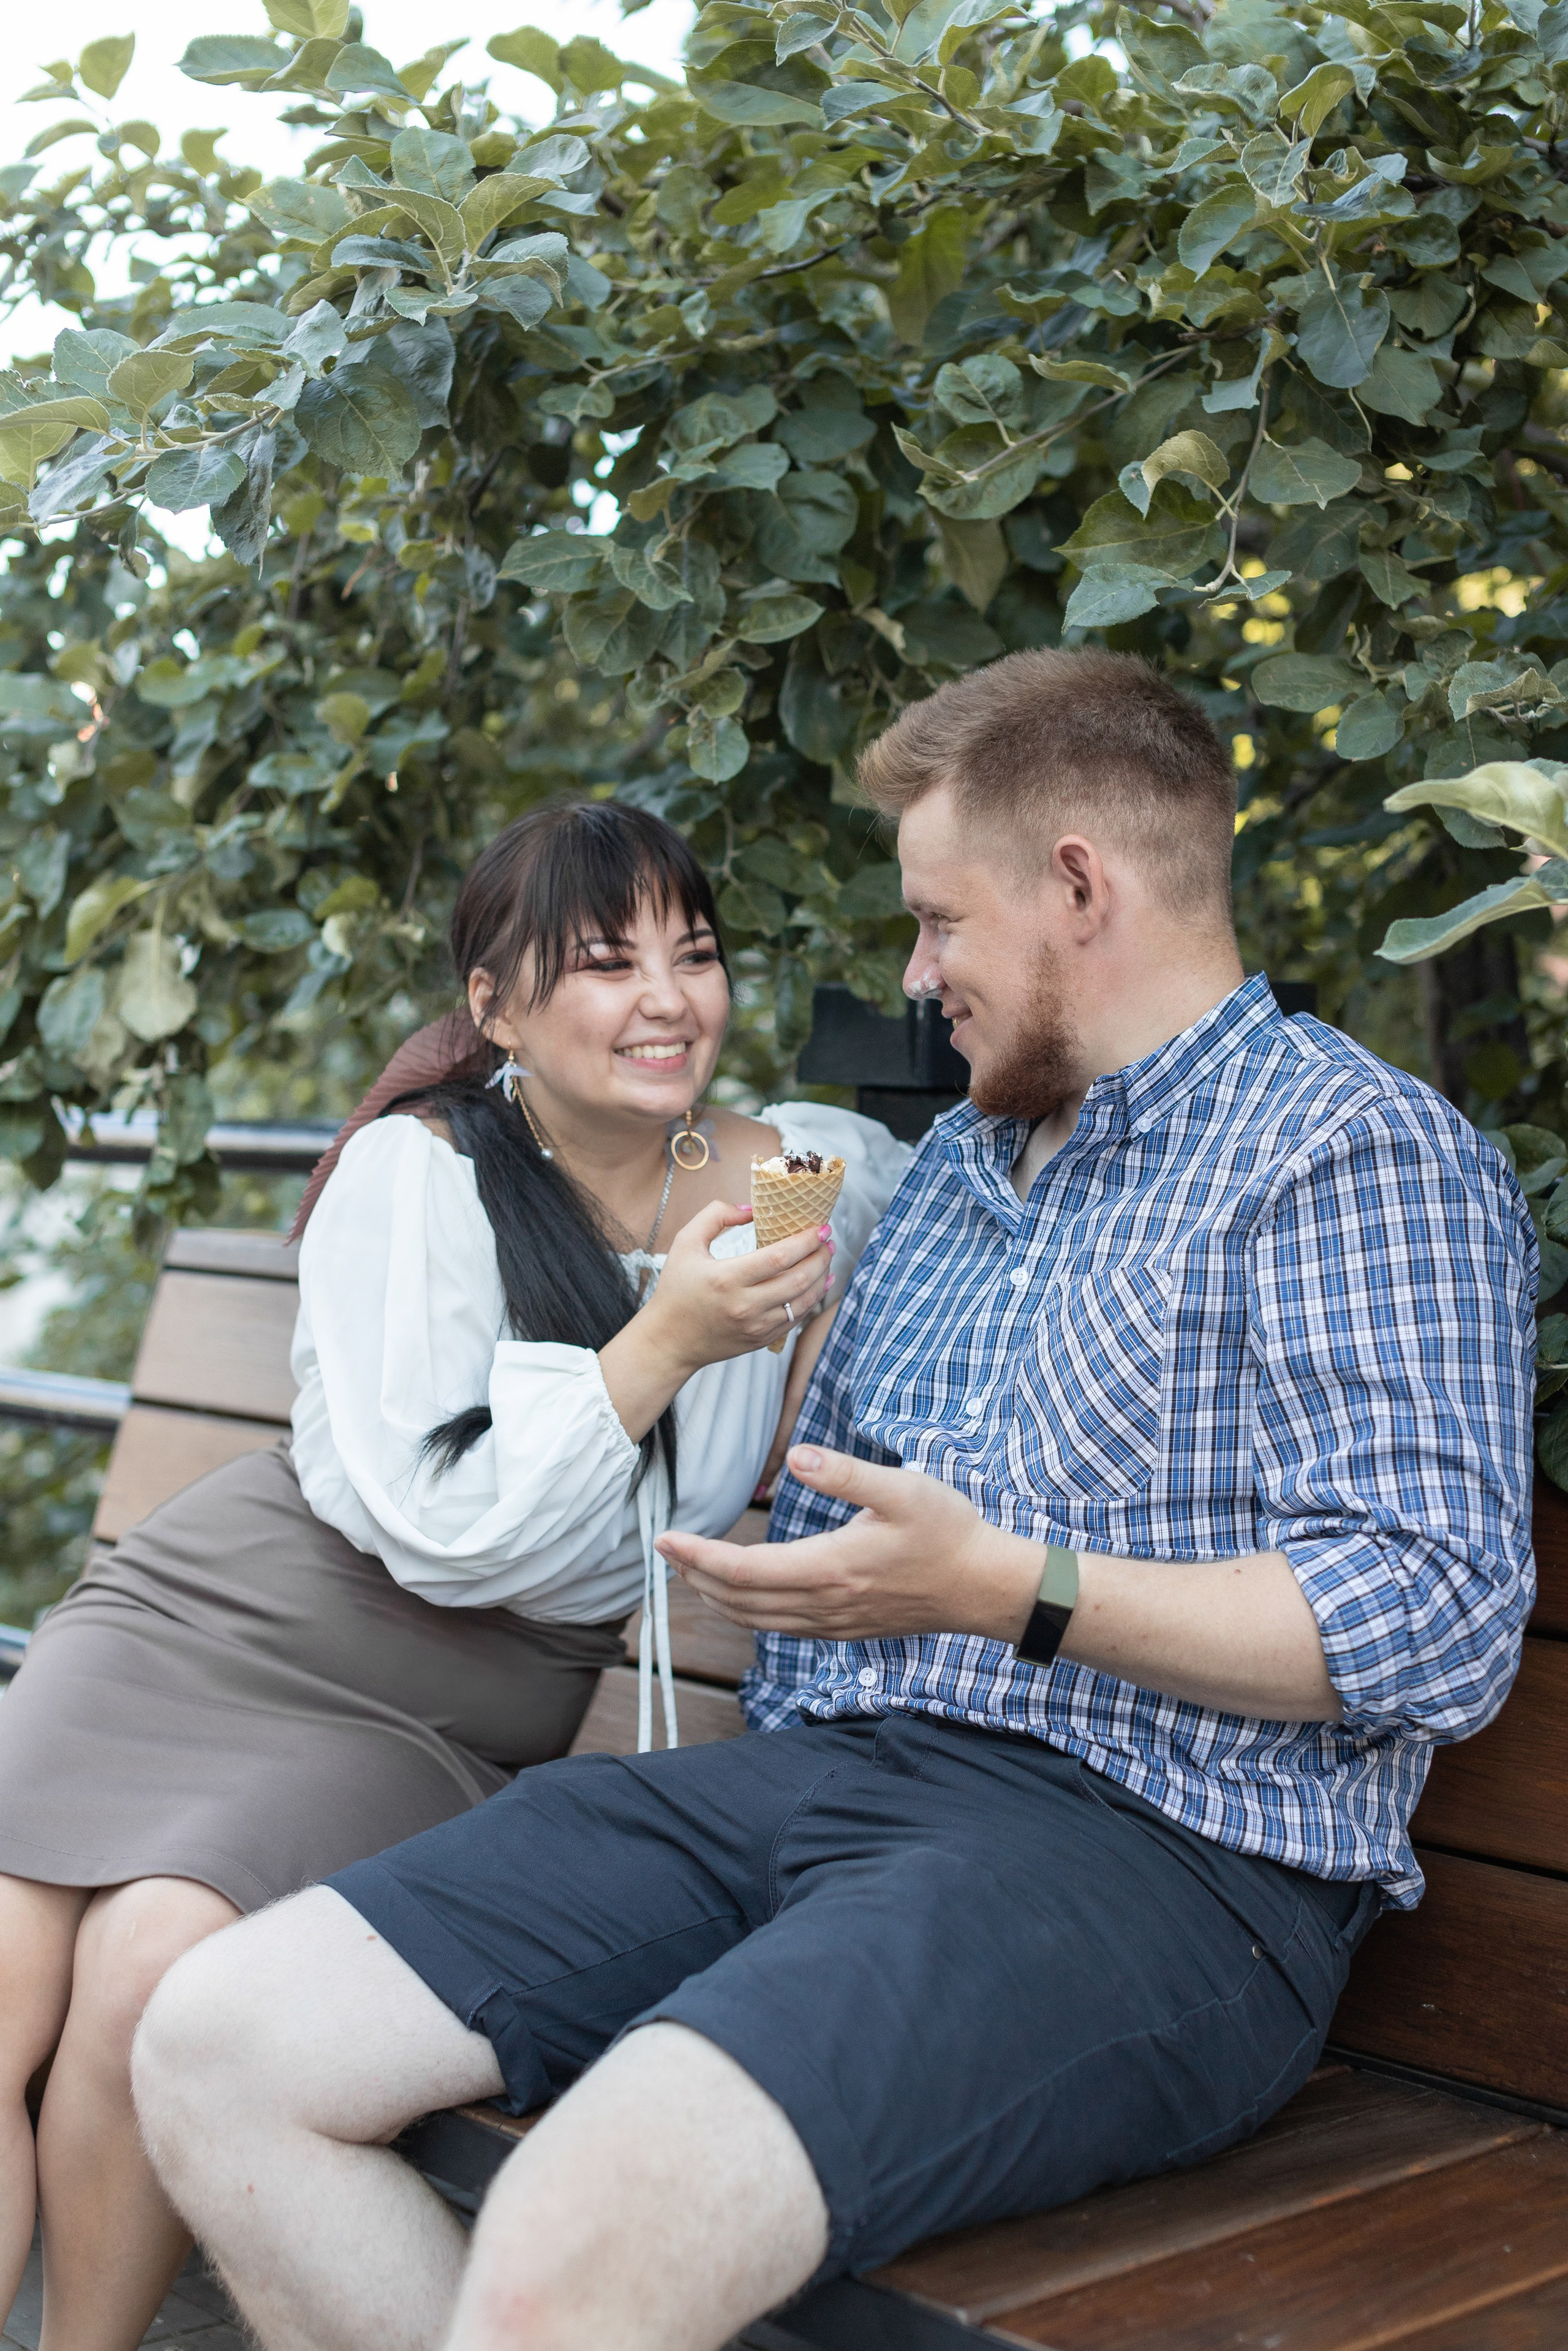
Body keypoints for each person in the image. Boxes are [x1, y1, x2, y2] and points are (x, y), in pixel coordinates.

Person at [132, 647, 1537, 2351]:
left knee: (571, 2234)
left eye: (938, 921)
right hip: (818, 1779)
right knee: (218, 2042)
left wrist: (1010, 1583)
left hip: (1157, 1862)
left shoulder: (1349, 1151)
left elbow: (1434, 1619)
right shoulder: (941, 1172)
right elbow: (747, 1366)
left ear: (1077, 885)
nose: (914, 972)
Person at [0, 799, 909, 2351]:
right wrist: (663, 1342)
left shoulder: (781, 1173)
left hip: (441, 1703)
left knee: (150, 1955)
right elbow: (439, 1518)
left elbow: (931, 1200)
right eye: (604, 962)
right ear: (494, 1004)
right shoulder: (413, 1174)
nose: (666, 999)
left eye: (692, 953)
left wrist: (792, 1337)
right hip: (222, 1617)